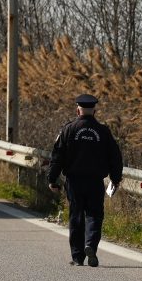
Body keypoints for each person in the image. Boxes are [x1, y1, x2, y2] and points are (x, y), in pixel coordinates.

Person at [46, 94, 123, 267]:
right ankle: (91, 245)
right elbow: (115, 157)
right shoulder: (103, 131)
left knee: (76, 216)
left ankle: (77, 257)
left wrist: (52, 179)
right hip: (95, 181)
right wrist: (115, 178)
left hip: (74, 181)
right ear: (94, 110)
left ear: (77, 109)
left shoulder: (68, 129)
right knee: (94, 215)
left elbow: (57, 156)